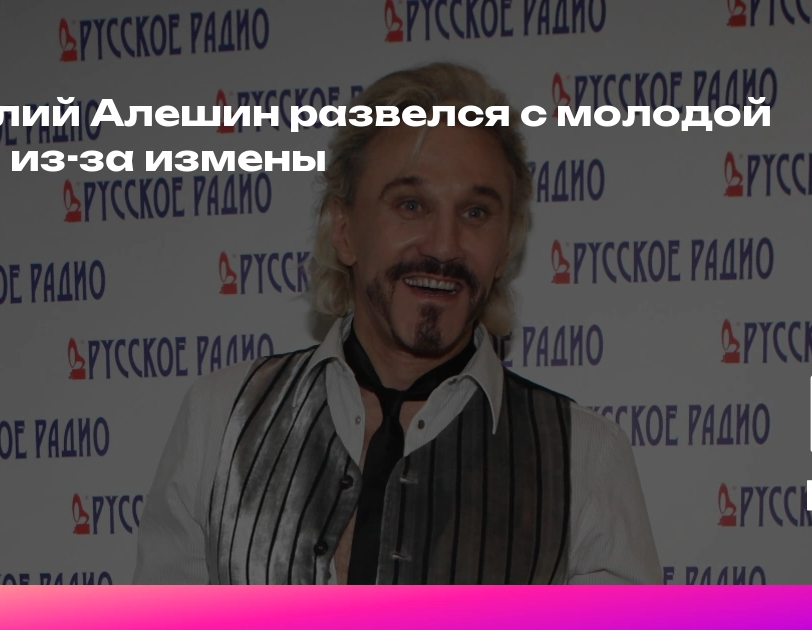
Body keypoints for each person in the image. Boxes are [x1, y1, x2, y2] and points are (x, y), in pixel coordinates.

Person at [133, 62, 660, 585]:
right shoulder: (221, 420)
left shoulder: (583, 456)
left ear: (505, 248)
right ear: (344, 230)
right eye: (411, 205)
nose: (445, 246)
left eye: (476, 213)